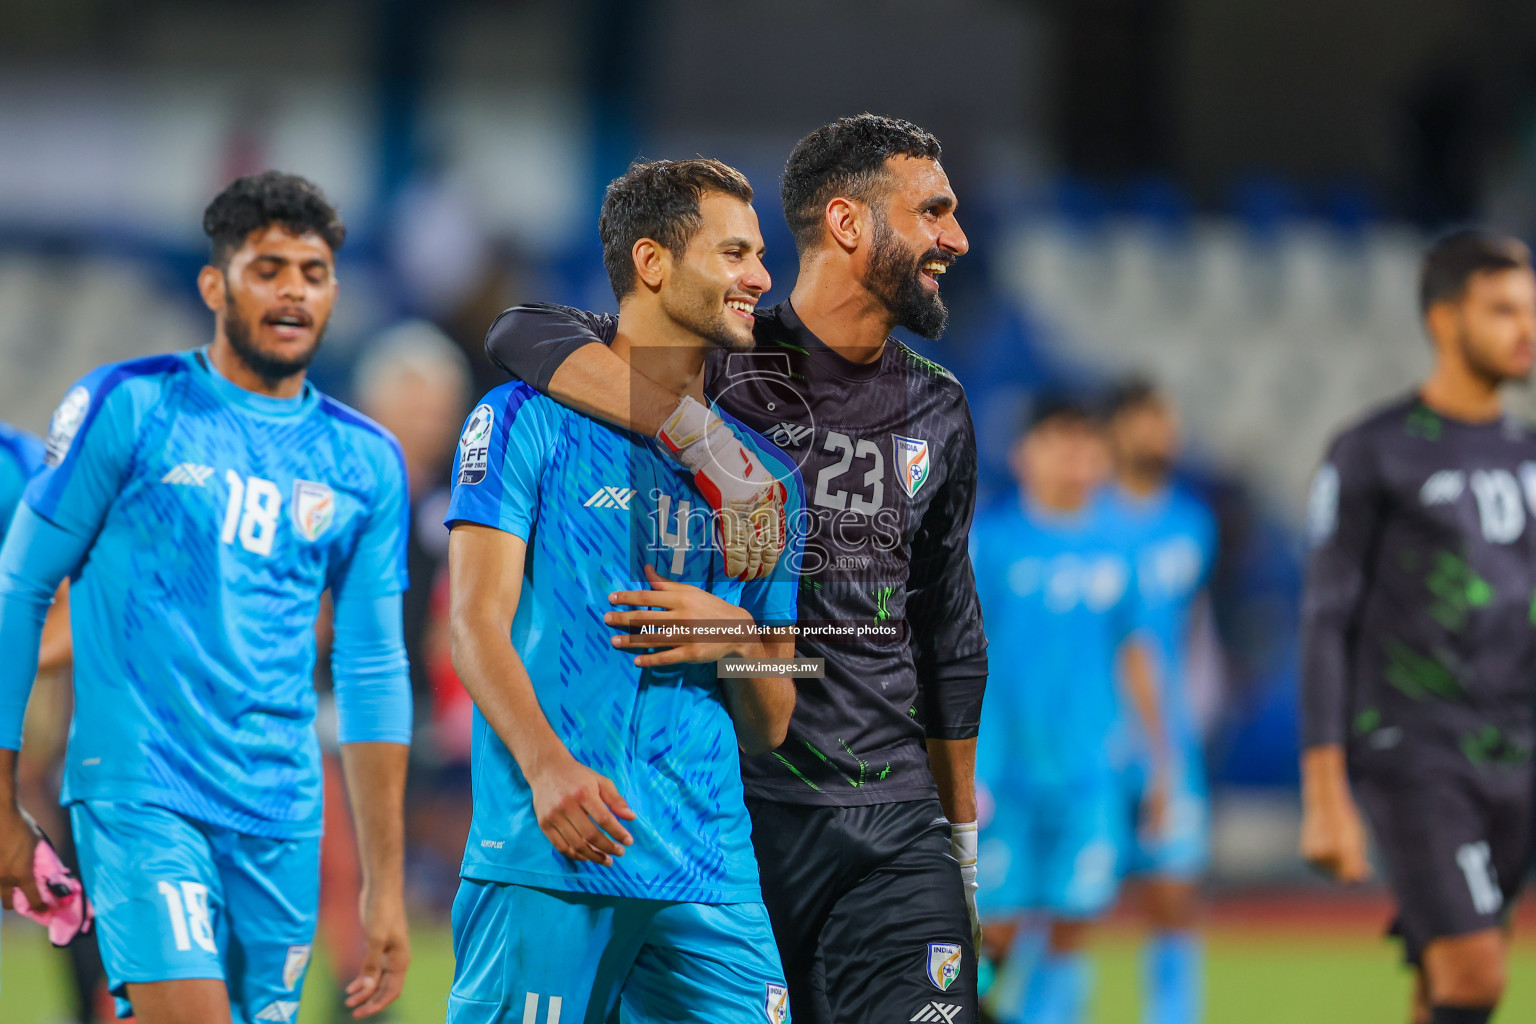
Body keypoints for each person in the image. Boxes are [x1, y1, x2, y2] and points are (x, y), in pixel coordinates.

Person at [484, 114, 987, 1024]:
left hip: (884, 811)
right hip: (750, 813)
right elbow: (521, 329)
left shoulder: (939, 407)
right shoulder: (725, 358)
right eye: (934, 213)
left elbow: (947, 636)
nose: (956, 238)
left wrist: (960, 837)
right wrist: (697, 432)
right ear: (847, 223)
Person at [0, 171, 413, 1024]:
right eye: (268, 268)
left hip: (280, 815)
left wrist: (382, 882)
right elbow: (23, 585)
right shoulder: (130, 406)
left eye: (313, 270)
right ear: (215, 285)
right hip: (142, 794)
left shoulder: (365, 462)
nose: (293, 289)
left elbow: (373, 669)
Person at [443, 157, 802, 1023]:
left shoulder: (763, 480)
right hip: (554, 847)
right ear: (652, 264)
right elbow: (474, 621)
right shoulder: (523, 418)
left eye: (758, 254)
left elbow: (778, 712)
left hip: (708, 863)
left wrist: (739, 641)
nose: (760, 276)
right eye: (733, 253)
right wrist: (546, 767)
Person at [1300, 229, 1536, 1024]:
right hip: (1417, 745)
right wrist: (1325, 791)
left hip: (1519, 746)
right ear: (1444, 319)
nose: (1525, 330)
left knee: (1447, 983)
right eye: (1502, 310)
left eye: (1530, 311)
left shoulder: (1530, 453)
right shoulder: (1375, 452)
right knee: (1476, 976)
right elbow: (1326, 619)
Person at [970, 397, 1170, 1024]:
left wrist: (1160, 761)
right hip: (1002, 775)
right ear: (1025, 454)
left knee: (1071, 921)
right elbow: (952, 654)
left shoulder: (1121, 549)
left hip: (1090, 774)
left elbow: (1138, 656)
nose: (1076, 461)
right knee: (992, 931)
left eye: (1088, 447)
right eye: (1061, 444)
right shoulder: (992, 544)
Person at [1101, 381, 1219, 1024]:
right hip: (1085, 736)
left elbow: (1196, 635)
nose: (1164, 433)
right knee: (1057, 906)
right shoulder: (1082, 517)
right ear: (1116, 430)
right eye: (1149, 420)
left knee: (1173, 897)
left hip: (1168, 737)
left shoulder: (1194, 524)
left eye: (1167, 421)